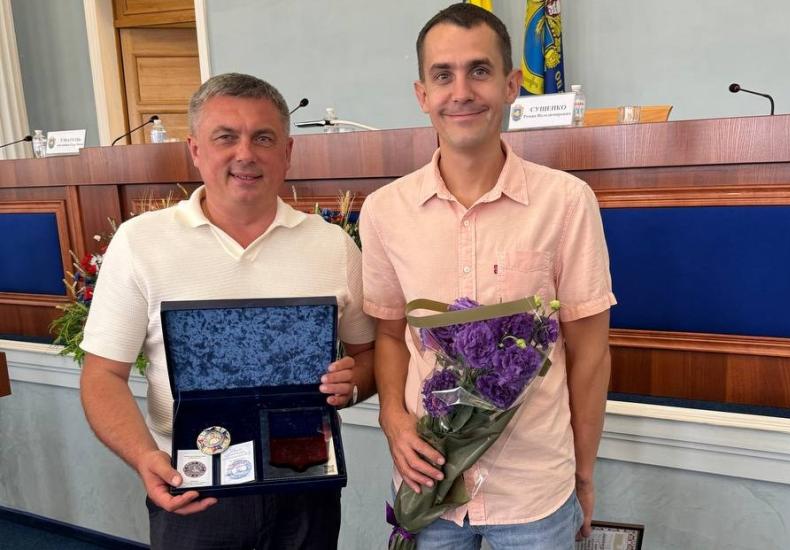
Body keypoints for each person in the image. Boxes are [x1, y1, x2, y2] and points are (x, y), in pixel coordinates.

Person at [79, 72, 375, 550]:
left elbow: (370, 355)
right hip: (192, 483)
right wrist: (142, 457)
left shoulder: (333, 246)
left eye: (263, 138)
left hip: (303, 481)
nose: (246, 154)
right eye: (226, 137)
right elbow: (102, 376)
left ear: (287, 152)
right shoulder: (140, 242)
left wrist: (354, 381)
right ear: (195, 149)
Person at [358, 4, 615, 549]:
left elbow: (590, 352)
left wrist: (584, 475)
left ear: (511, 85)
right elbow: (389, 335)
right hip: (429, 486)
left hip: (534, 492)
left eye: (479, 71)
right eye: (442, 75)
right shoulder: (384, 211)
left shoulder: (566, 202)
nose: (461, 92)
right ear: (421, 93)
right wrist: (393, 420)